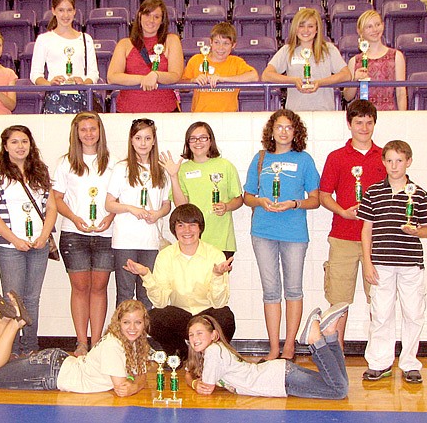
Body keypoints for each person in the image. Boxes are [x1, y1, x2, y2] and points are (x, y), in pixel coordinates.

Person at [243, 110, 320, 361]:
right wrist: (261, 201)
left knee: (294, 291)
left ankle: (289, 347)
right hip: (263, 231)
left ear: (296, 132)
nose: (284, 132)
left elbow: (315, 200)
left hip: (294, 233)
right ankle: (274, 348)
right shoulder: (260, 158)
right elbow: (247, 197)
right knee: (270, 292)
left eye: (289, 127)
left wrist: (293, 204)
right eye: (279, 127)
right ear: (271, 130)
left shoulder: (304, 160)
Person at [357, 140, 427, 384]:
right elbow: (366, 230)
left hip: (411, 265)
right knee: (381, 314)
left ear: (408, 162)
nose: (394, 165)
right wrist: (367, 263)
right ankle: (379, 363)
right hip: (381, 264)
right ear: (383, 163)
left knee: (413, 314)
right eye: (389, 160)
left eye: (399, 160)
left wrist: (416, 231)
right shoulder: (373, 192)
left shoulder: (419, 193)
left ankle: (410, 363)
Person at [0, 288, 149, 395]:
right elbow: (122, 388)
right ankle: (16, 323)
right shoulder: (114, 345)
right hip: (50, 372)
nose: (132, 328)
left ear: (144, 324)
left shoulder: (132, 342)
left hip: (56, 364)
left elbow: (138, 374)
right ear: (118, 323)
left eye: (138, 322)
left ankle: (1, 322)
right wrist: (136, 385)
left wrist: (137, 382)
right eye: (127, 322)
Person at [123, 203, 235, 363]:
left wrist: (217, 275)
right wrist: (146, 275)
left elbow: (219, 303)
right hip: (181, 317)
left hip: (207, 315)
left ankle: (209, 357)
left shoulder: (215, 254)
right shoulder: (165, 256)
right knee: (152, 318)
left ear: (200, 228)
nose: (187, 231)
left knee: (226, 318)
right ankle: (180, 353)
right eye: (181, 225)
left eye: (192, 225)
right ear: (174, 229)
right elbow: (160, 303)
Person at [0, 125, 58, 358]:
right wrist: (15, 240)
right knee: (12, 300)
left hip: (38, 246)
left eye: (24, 141)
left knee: (32, 299)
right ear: (5, 146)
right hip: (10, 248)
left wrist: (44, 236)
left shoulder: (41, 171)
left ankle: (31, 348)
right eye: (14, 142)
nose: (20, 146)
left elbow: (51, 207)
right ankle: (12, 350)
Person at [319, 99, 387, 349]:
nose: (364, 127)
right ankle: (337, 355)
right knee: (339, 303)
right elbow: (324, 195)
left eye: (369, 122)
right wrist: (343, 213)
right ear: (349, 124)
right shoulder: (336, 158)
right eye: (359, 122)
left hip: (378, 240)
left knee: (380, 301)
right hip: (343, 237)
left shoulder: (385, 157)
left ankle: (379, 355)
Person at [185, 303, 350, 400]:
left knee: (338, 390)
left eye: (200, 333)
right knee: (339, 383)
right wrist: (191, 378)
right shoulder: (217, 349)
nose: (195, 338)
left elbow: (207, 387)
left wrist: (192, 382)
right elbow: (193, 373)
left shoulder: (213, 351)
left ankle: (316, 341)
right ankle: (329, 335)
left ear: (214, 335)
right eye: (191, 335)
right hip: (280, 373)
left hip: (278, 380)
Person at [53, 111, 116, 357]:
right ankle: (81, 342)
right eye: (84, 130)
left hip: (107, 233)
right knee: (79, 288)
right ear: (76, 134)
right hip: (74, 234)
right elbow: (56, 199)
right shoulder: (66, 162)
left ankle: (98, 342)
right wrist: (74, 218)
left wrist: (109, 218)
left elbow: (119, 198)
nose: (89, 133)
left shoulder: (114, 163)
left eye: (93, 128)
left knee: (99, 288)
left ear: (100, 131)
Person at [105, 118, 171, 310]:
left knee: (147, 293)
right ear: (131, 140)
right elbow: (109, 204)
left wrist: (158, 214)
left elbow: (166, 204)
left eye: (147, 138)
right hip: (125, 240)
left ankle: (144, 338)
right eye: (138, 138)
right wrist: (131, 208)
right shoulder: (121, 168)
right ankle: (122, 339)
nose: (143, 143)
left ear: (153, 141)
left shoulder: (161, 170)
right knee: (125, 293)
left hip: (150, 241)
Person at [160, 121, 243, 259]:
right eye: (193, 138)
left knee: (218, 281)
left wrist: (226, 206)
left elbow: (239, 199)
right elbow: (181, 206)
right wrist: (173, 176)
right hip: (191, 240)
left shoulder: (226, 166)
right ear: (188, 143)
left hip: (221, 241)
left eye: (203, 137)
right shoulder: (182, 170)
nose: (198, 142)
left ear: (210, 140)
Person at [261, 8, 351, 111]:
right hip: (295, 114)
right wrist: (293, 81)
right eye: (301, 26)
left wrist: (320, 83)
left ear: (317, 29)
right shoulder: (287, 50)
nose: (306, 30)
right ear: (295, 28)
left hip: (324, 113)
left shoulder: (329, 49)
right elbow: (266, 75)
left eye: (310, 26)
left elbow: (346, 74)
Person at [107, 0, 184, 113]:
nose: (151, 20)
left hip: (165, 111)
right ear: (139, 16)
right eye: (147, 15)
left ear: (162, 21)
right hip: (128, 112)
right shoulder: (124, 44)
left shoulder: (172, 40)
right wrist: (145, 79)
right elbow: (112, 77)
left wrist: (156, 76)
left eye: (156, 17)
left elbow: (175, 75)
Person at [30, 0, 100, 114]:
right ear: (53, 11)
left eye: (69, 10)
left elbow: (93, 73)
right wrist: (49, 84)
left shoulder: (86, 39)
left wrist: (83, 83)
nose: (65, 15)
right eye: (61, 10)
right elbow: (35, 75)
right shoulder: (43, 39)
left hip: (81, 97)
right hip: (54, 99)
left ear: (74, 11)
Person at [181, 22, 258, 112]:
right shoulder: (196, 60)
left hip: (227, 118)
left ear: (233, 45)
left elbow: (254, 76)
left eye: (226, 44)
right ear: (210, 42)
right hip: (201, 118)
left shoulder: (236, 62)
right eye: (217, 42)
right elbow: (181, 87)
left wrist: (223, 79)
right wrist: (193, 81)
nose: (220, 48)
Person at [343, 10, 407, 111]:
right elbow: (347, 97)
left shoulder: (396, 56)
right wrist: (355, 80)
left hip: (389, 114)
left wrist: (403, 117)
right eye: (369, 26)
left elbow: (401, 92)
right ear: (360, 31)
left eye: (377, 24)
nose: (375, 29)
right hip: (363, 116)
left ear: (383, 25)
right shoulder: (355, 61)